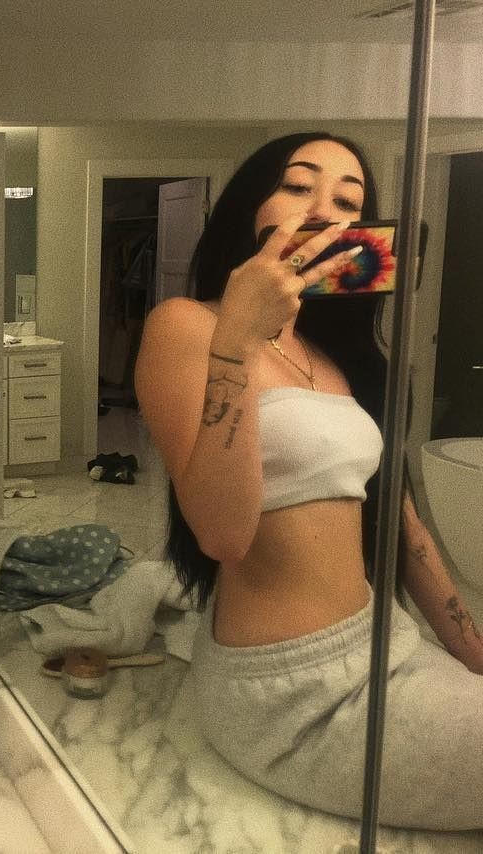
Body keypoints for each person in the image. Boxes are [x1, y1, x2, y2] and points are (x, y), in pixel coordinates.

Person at [134, 132, 483, 830]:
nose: (324, 210)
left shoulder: (337, 356)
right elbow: (222, 535)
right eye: (298, 186)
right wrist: (237, 338)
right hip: (291, 690)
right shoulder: (185, 325)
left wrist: (473, 654)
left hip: (386, 643)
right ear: (249, 209)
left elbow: (401, 525)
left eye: (348, 202)